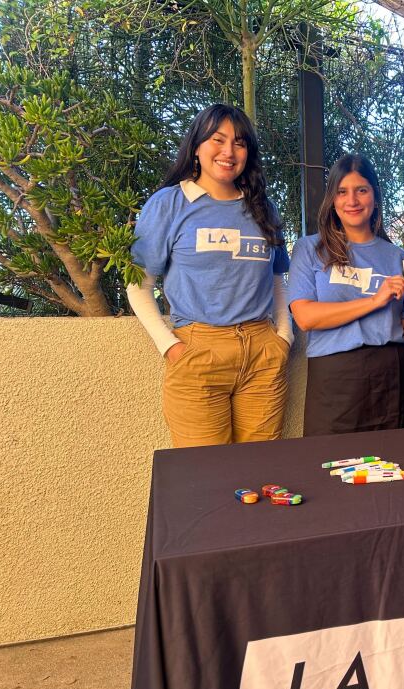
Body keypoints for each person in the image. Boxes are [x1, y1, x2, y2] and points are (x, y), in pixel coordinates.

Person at [128, 103, 293, 448]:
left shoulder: (262, 206)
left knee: (260, 472)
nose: (229, 152)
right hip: (198, 351)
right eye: (218, 140)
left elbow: (278, 279)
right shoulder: (170, 203)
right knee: (204, 478)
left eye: (240, 142)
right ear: (197, 146)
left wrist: (283, 338)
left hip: (262, 351)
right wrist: (171, 348)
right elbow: (139, 285)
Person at [287, 154, 404, 436]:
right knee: (331, 464)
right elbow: (305, 317)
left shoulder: (399, 257)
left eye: (362, 190)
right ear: (332, 199)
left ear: (375, 196)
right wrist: (374, 301)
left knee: (397, 465)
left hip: (391, 371)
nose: (352, 201)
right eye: (342, 192)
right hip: (334, 374)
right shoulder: (310, 249)